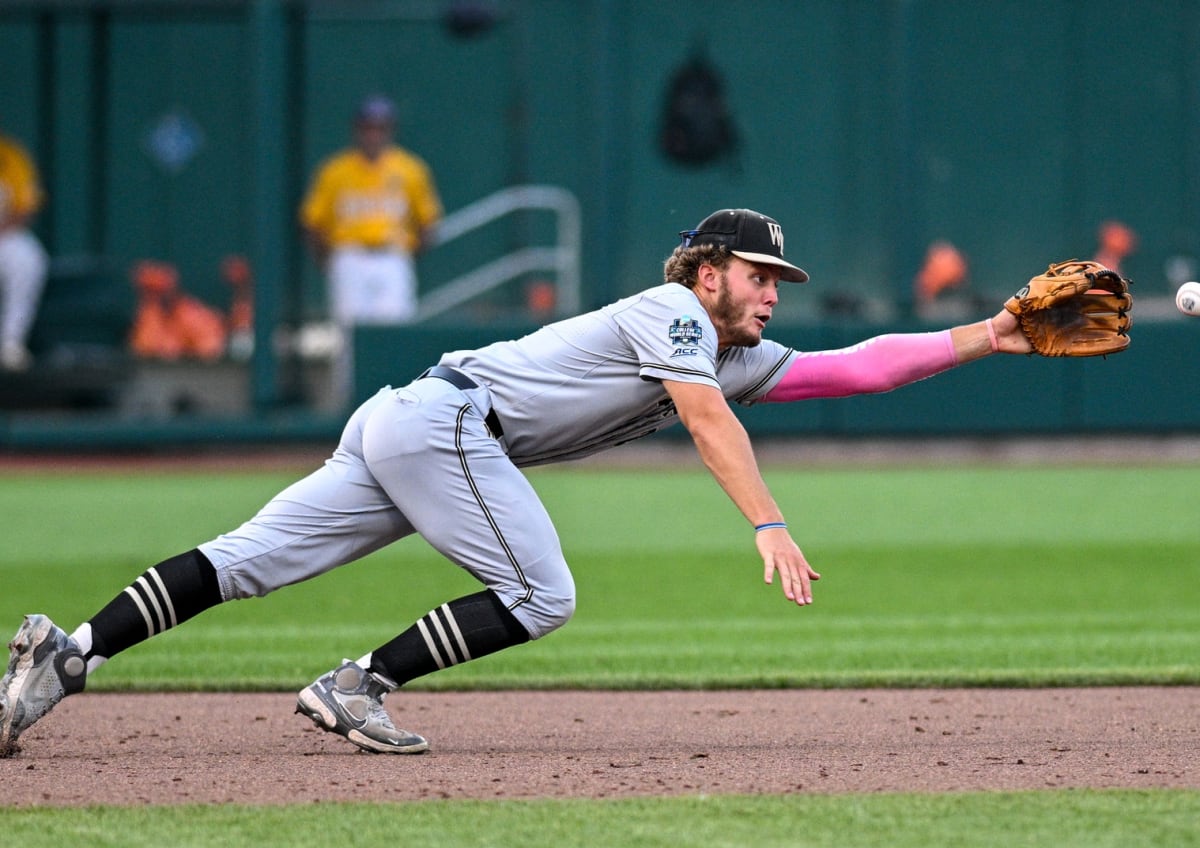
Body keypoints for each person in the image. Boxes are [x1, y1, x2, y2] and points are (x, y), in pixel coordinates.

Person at [0, 208, 1038, 757]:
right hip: (449, 425)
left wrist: (992, 333)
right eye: (760, 275)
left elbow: (858, 366)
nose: (772, 293)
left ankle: (67, 652)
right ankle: (358, 683)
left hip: (413, 422)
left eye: (779, 282)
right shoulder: (675, 314)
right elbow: (704, 419)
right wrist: (766, 519)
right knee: (543, 594)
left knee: (242, 564)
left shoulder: (730, 352)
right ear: (708, 269)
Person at [299, 94, 443, 406]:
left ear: (389, 130)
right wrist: (328, 260)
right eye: (368, 127)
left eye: (380, 127)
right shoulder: (335, 170)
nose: (373, 134)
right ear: (357, 129)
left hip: (392, 256)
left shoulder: (409, 168)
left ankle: (401, 406)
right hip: (349, 255)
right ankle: (348, 408)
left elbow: (429, 223)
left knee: (396, 331)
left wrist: (405, 256)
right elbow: (312, 223)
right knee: (347, 335)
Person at [0, 130, 49, 372]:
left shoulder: (10, 156)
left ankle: (10, 343)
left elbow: (26, 206)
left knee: (26, 255)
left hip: (3, 237)